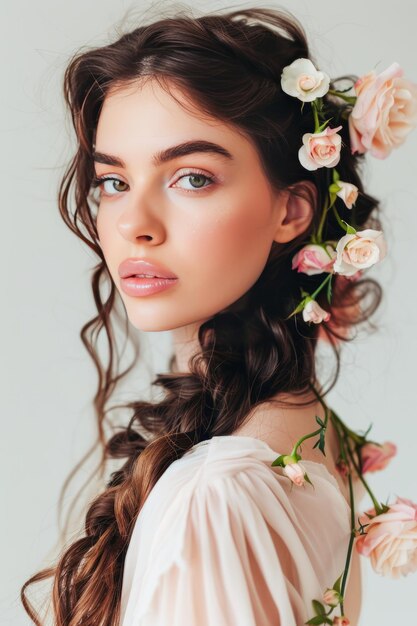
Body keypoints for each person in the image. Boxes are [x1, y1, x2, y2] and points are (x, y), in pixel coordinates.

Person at [20, 6, 417, 626]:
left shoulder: (218, 494)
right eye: (114, 182)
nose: (133, 225)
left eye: (192, 178)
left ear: (292, 211)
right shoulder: (306, 428)